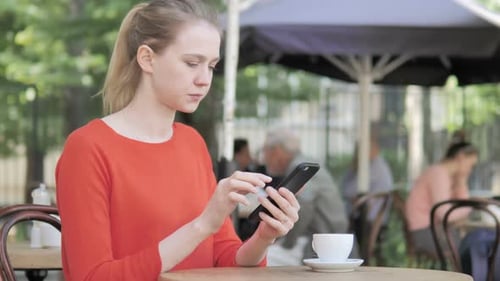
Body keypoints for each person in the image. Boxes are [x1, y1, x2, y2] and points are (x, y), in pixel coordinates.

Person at [55, 1, 300, 280]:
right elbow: (92, 276)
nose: (204, 79)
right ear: (147, 58)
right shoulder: (88, 148)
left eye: (211, 66)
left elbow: (222, 256)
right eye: (192, 63)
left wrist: (264, 236)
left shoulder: (191, 142)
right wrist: (202, 226)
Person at [257, 128, 350, 265]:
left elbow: (304, 208)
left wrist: (286, 243)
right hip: (323, 237)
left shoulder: (298, 169)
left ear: (276, 151)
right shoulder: (305, 163)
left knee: (260, 260)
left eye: (264, 151)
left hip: (319, 243)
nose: (263, 159)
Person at [405, 135, 478, 256]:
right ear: (461, 157)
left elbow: (460, 205)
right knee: (476, 241)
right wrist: (470, 208)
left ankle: (476, 273)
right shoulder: (438, 174)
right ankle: (475, 274)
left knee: (478, 238)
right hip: (425, 233)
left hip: (434, 230)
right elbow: (444, 213)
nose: (470, 170)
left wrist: (461, 182)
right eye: (471, 165)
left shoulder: (446, 175)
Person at [341, 136, 394, 252]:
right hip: (364, 218)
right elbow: (346, 189)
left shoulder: (375, 166)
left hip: (369, 220)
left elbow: (348, 189)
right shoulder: (367, 165)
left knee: (337, 224)